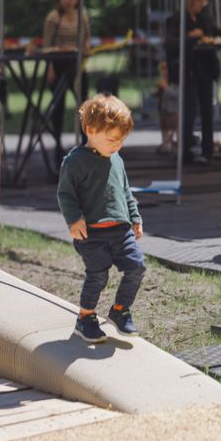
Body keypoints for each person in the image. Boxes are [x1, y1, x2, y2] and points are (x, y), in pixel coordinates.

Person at [57, 93, 146, 344]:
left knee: (137, 266)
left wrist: (135, 217)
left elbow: (125, 190)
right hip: (91, 234)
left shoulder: (116, 158)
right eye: (112, 139)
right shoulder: (74, 162)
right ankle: (85, 318)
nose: (117, 145)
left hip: (121, 231)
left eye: (121, 140)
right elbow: (66, 193)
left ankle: (120, 310)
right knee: (98, 275)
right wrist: (73, 220)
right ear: (90, 130)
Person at [165, 0, 221, 165]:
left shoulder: (205, 18)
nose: (203, 4)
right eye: (201, 0)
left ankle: (207, 151)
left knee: (207, 111)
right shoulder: (178, 19)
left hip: (206, 68)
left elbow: (213, 31)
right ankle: (185, 151)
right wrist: (189, 36)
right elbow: (170, 42)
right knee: (188, 111)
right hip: (188, 69)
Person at [43, 0, 91, 167]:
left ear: (77, 0)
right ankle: (57, 149)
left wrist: (84, 50)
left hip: (77, 66)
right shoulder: (54, 18)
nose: (67, 1)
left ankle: (87, 146)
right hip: (58, 64)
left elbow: (87, 39)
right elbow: (47, 45)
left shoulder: (82, 17)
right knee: (58, 107)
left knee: (84, 106)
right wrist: (50, 67)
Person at [152, 60, 178, 154]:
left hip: (174, 109)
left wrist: (166, 87)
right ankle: (165, 145)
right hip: (164, 108)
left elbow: (176, 95)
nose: (164, 72)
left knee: (174, 127)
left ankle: (172, 144)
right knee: (164, 127)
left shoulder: (175, 81)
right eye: (162, 69)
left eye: (165, 69)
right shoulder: (162, 80)